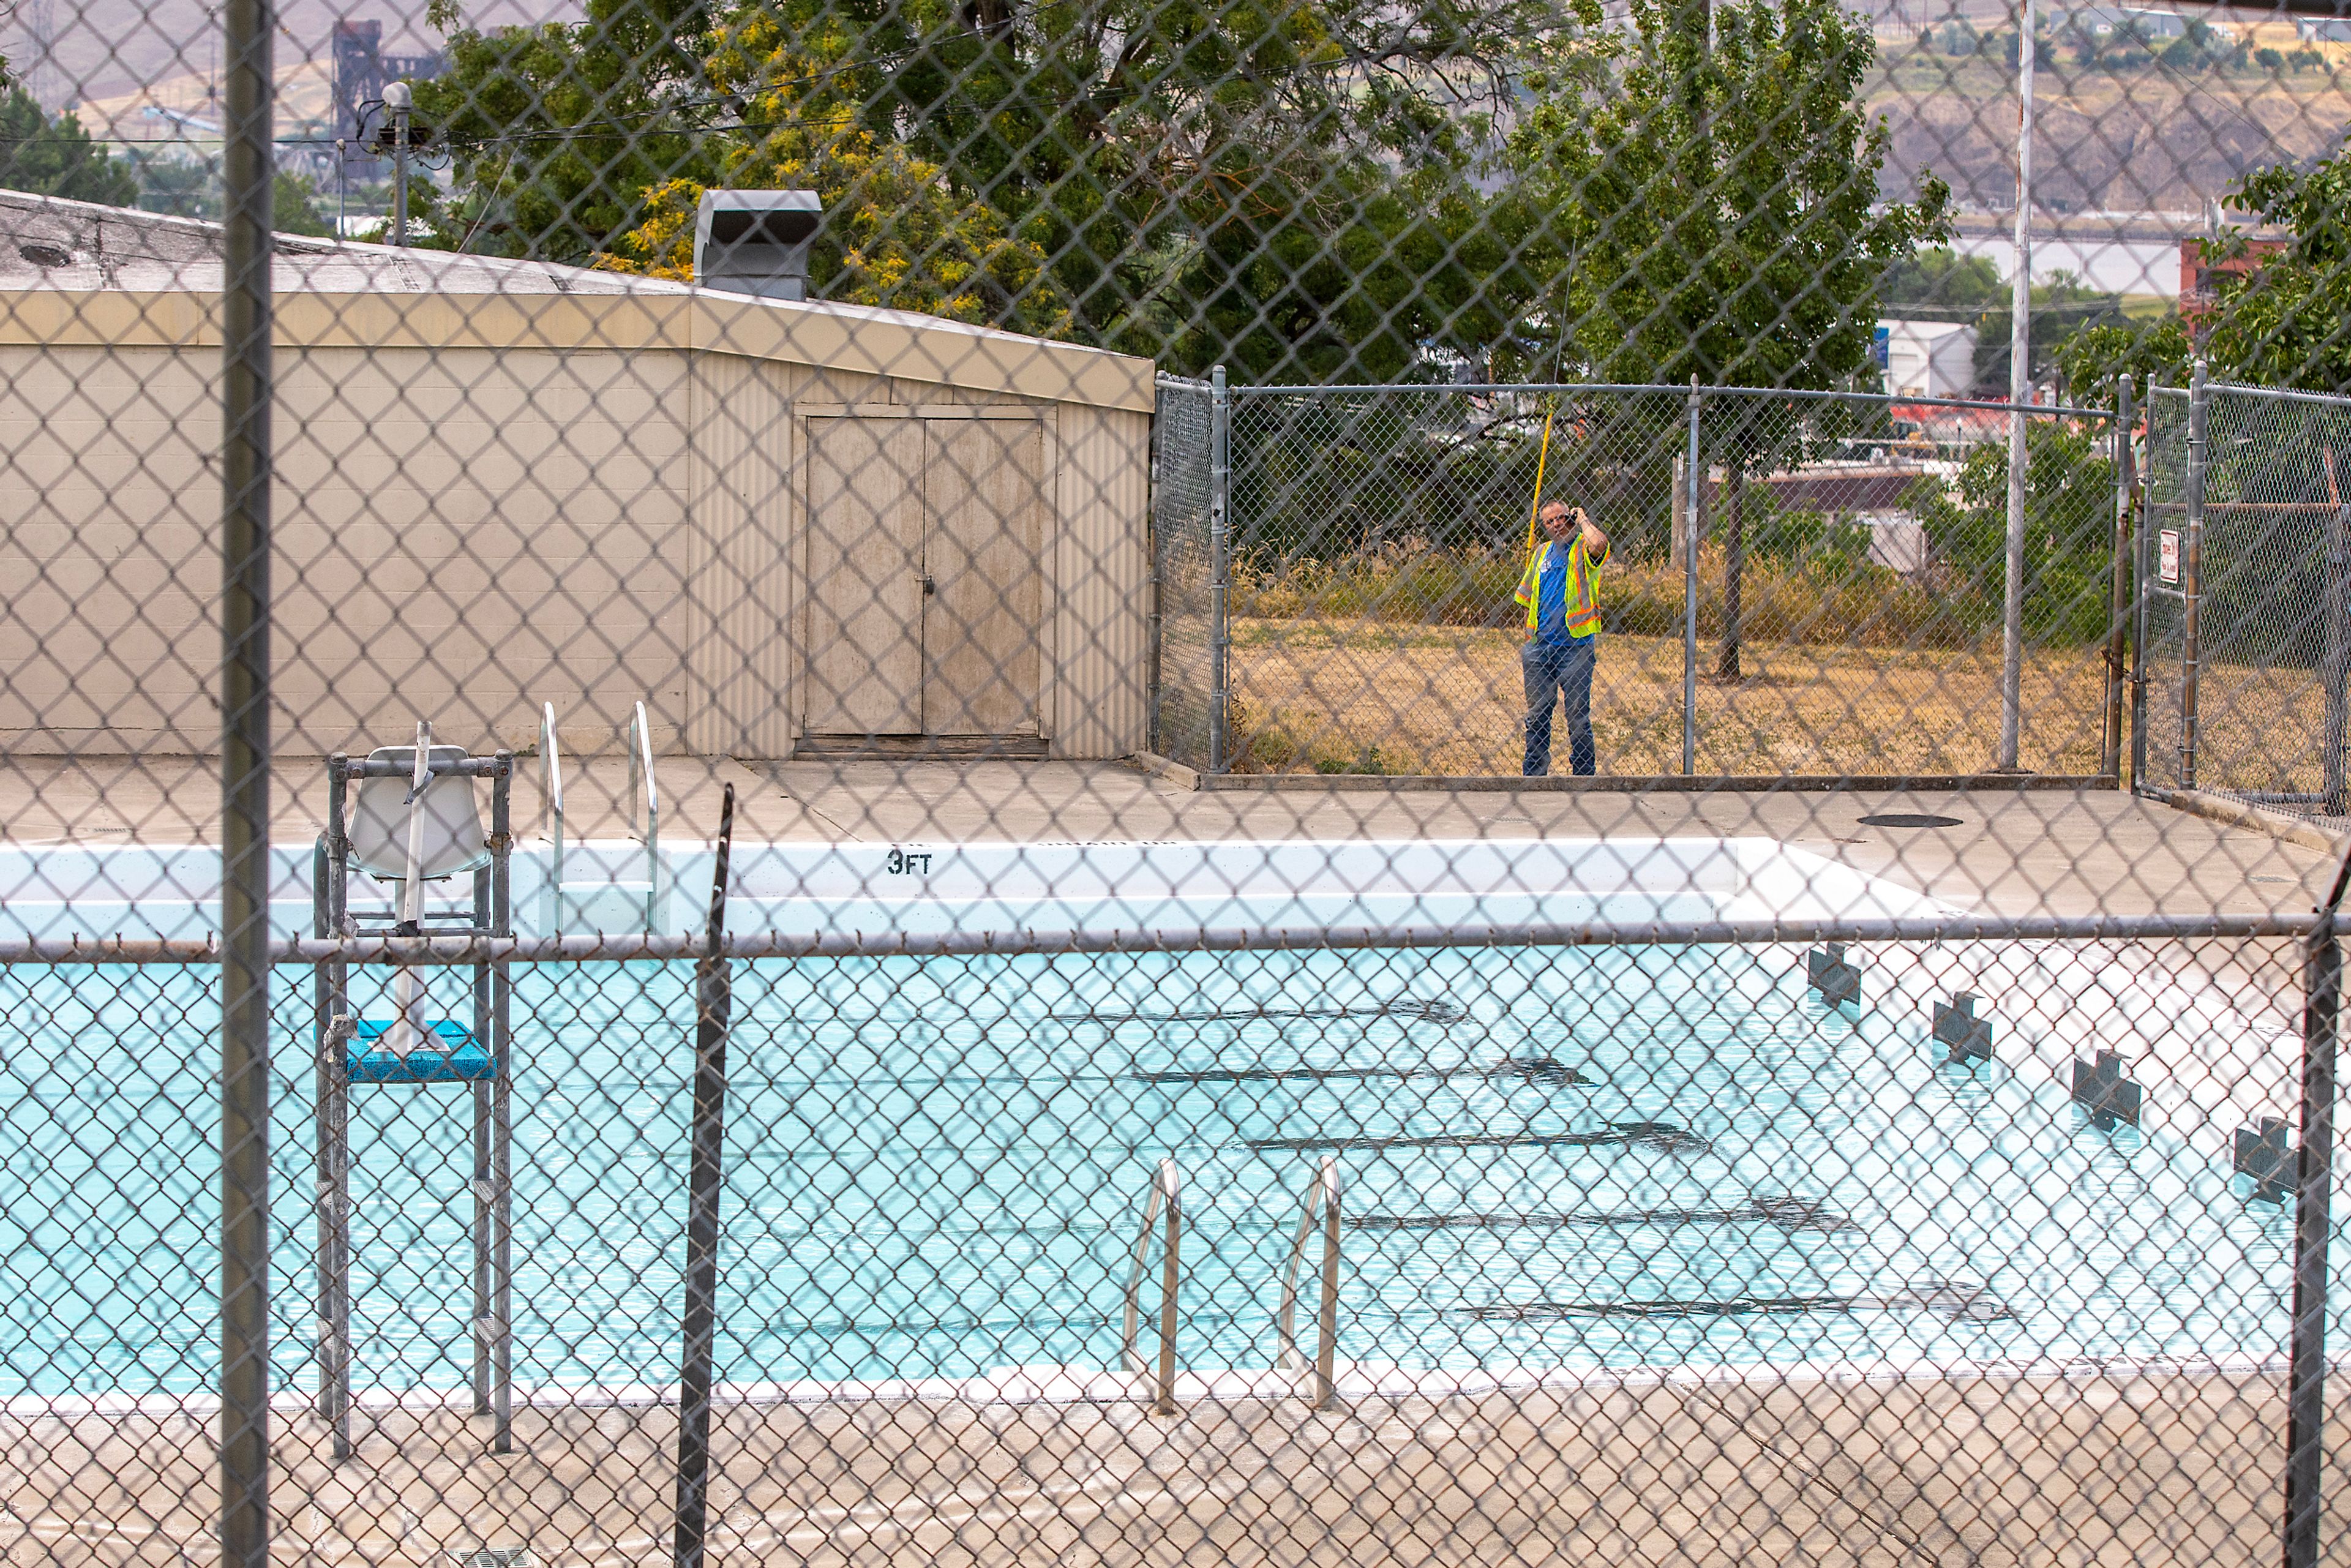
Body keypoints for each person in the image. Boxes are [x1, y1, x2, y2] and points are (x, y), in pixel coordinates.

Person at [1514, 498, 1610, 777]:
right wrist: (1529, 639)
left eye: (1561, 517)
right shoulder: (1541, 553)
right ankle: (1533, 777)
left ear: (1571, 516)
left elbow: (1599, 546)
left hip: (1575, 648)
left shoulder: (1582, 547)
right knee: (1537, 717)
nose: (1557, 524)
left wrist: (1583, 521)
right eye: (1550, 521)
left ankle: (1583, 776)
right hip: (1540, 649)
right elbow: (1527, 596)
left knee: (1578, 718)